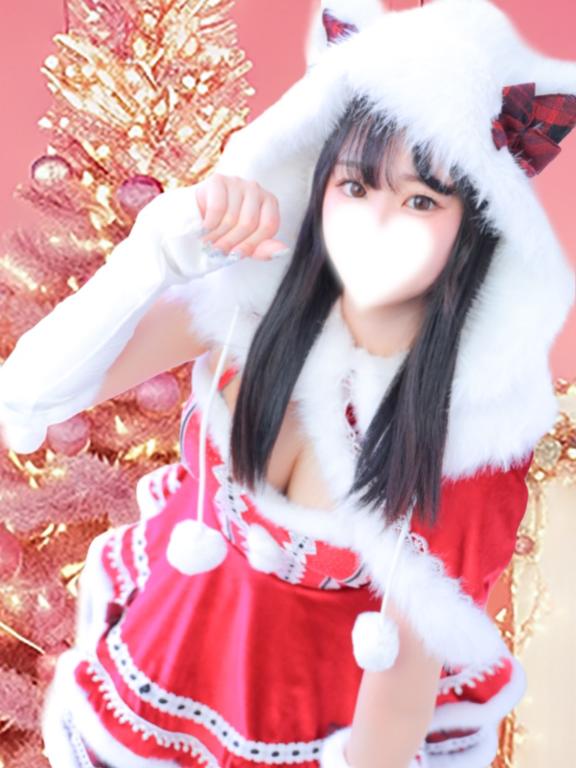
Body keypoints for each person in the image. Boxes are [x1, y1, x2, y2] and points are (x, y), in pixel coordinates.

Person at [1, 0, 575, 766]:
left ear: (471, 229)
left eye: (420, 201)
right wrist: (152, 255)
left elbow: (398, 704)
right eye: (356, 187)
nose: (375, 224)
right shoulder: (252, 309)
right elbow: (28, 396)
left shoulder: (466, 439)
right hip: (164, 653)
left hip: (307, 727)